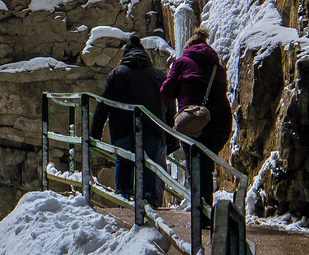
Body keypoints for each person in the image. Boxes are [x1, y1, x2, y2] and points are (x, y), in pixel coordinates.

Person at [159, 26, 232, 216]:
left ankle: (201, 214)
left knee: (195, 165)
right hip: (220, 121)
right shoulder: (218, 67)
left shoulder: (182, 62)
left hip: (195, 120)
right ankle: (205, 210)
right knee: (205, 166)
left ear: (188, 47)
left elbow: (166, 92)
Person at [90, 38, 169, 207]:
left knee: (124, 160)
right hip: (153, 128)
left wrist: (94, 134)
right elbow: (168, 105)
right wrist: (170, 137)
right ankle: (149, 201)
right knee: (151, 163)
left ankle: (124, 199)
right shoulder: (158, 75)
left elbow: (103, 104)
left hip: (122, 128)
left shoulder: (117, 74)